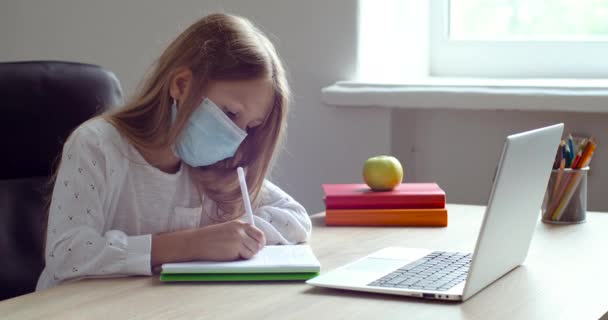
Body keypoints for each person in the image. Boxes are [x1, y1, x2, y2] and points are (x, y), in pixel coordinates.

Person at [36, 13, 311, 290]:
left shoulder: (218, 168)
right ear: (181, 85)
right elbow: (66, 255)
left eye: (250, 126)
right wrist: (193, 243)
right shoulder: (97, 145)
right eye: (230, 113)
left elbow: (296, 218)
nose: (236, 137)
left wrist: (235, 236)